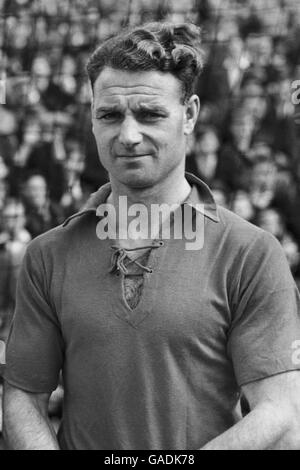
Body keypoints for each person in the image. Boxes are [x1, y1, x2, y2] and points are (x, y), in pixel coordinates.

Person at [2, 22, 300, 451]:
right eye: (110, 114)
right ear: (91, 116)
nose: (127, 135)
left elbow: (282, 416)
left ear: (190, 114)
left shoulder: (250, 252)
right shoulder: (47, 255)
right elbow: (24, 397)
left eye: (150, 114)